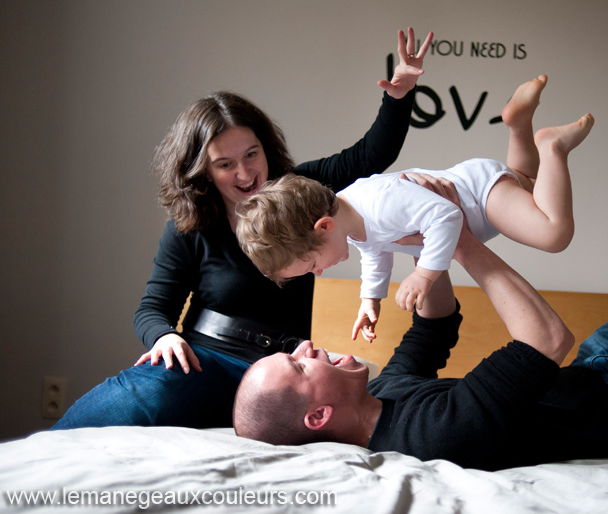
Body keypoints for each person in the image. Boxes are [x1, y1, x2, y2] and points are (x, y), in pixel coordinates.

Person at [233, 190, 608, 470]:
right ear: (317, 418)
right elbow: (549, 339)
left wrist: (421, 232)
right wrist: (462, 241)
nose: (307, 346)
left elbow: (433, 324)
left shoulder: (383, 393)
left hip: (593, 379)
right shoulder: (428, 436)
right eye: (298, 364)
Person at [51, 27, 434, 430]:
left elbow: (371, 155)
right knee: (139, 397)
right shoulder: (191, 224)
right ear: (203, 171)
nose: (246, 172)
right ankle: (39, 458)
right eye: (225, 164)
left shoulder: (300, 192)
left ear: (266, 147)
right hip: (207, 360)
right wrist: (163, 337)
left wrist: (399, 94)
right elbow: (152, 308)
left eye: (252, 154)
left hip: (278, 380)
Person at [236, 75, 594, 341]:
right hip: (480, 194)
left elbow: (446, 216)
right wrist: (370, 300)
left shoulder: (379, 203)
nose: (318, 273)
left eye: (312, 265)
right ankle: (519, 125)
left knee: (553, 234)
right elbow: (376, 255)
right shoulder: (352, 220)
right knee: (529, 182)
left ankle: (552, 147)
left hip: (479, 194)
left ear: (323, 227)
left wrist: (424, 274)